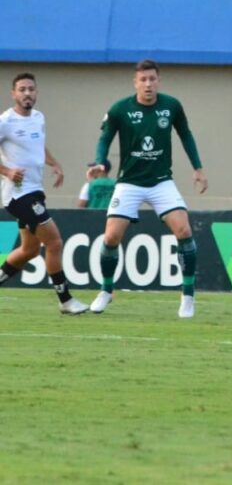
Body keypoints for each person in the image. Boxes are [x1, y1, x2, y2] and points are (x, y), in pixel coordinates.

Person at [88, 59, 207, 318]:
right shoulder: (120, 109)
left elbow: (186, 134)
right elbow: (105, 137)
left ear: (159, 80)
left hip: (161, 181)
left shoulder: (171, 106)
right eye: (143, 80)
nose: (148, 84)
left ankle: (188, 296)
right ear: (135, 83)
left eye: (152, 79)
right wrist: (99, 161)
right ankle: (106, 291)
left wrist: (198, 168)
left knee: (184, 229)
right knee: (110, 237)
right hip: (129, 182)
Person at [0, 73, 87, 315]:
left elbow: (38, 146)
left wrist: (54, 164)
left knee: (28, 250)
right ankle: (65, 300)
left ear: (36, 93)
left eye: (31, 89)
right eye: (22, 89)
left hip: (35, 191)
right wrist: (6, 171)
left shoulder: (38, 118)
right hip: (19, 195)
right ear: (13, 94)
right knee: (54, 242)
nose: (27, 93)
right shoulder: (5, 121)